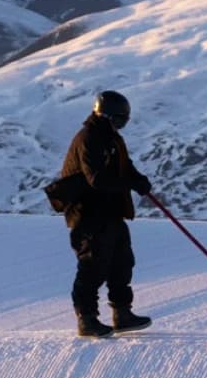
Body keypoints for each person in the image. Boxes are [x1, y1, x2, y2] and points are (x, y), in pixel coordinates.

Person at [58, 90, 154, 338]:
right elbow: (96, 179)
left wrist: (138, 180)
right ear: (107, 116)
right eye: (120, 120)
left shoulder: (111, 138)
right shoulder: (89, 138)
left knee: (121, 262)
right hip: (88, 214)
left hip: (110, 211)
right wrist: (128, 183)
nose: (122, 125)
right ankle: (87, 319)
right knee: (93, 265)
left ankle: (122, 314)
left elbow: (124, 166)